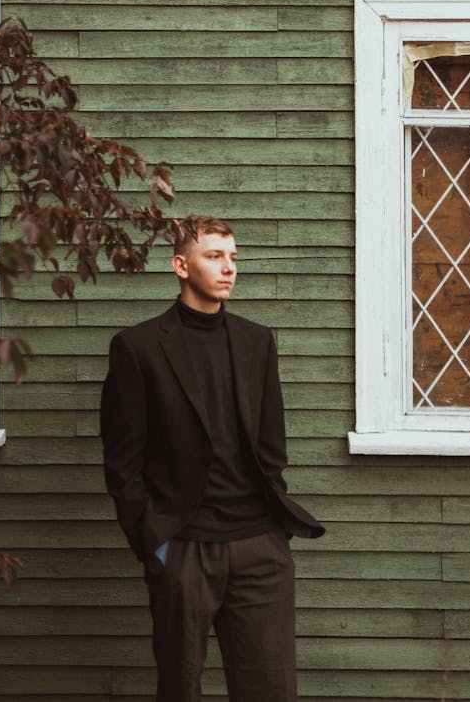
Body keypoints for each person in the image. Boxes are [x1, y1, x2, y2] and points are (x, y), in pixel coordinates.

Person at [100, 214, 325, 702]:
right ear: (181, 265)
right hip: (183, 547)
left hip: (259, 546)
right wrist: (156, 542)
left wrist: (274, 533)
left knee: (270, 689)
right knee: (180, 689)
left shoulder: (256, 341)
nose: (229, 269)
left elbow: (271, 447)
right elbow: (122, 464)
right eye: (214, 256)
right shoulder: (138, 348)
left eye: (233, 258)